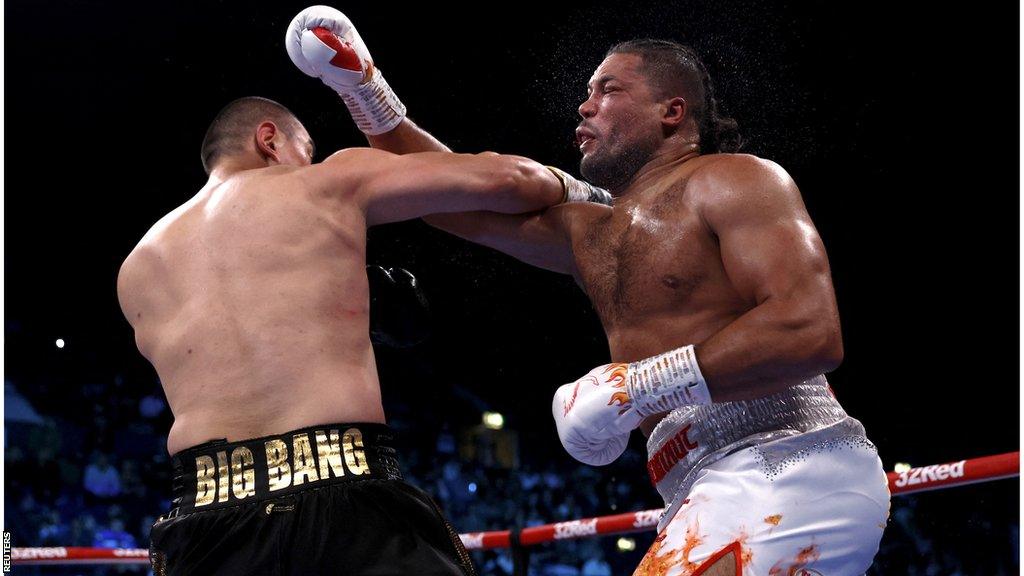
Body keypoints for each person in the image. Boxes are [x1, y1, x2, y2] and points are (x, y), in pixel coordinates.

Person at [286, 7, 890, 575]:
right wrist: (364, 90)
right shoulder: (593, 229)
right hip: (701, 482)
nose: (584, 106)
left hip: (791, 459)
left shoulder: (735, 181)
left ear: (671, 112)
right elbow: (454, 197)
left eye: (608, 91)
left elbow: (810, 330)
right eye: (587, 92)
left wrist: (638, 386)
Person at [117, 90, 606, 573]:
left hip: (203, 521)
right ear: (269, 139)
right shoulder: (325, 182)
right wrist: (597, 198)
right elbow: (511, 177)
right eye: (304, 152)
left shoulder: (137, 267)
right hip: (343, 494)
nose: (308, 164)